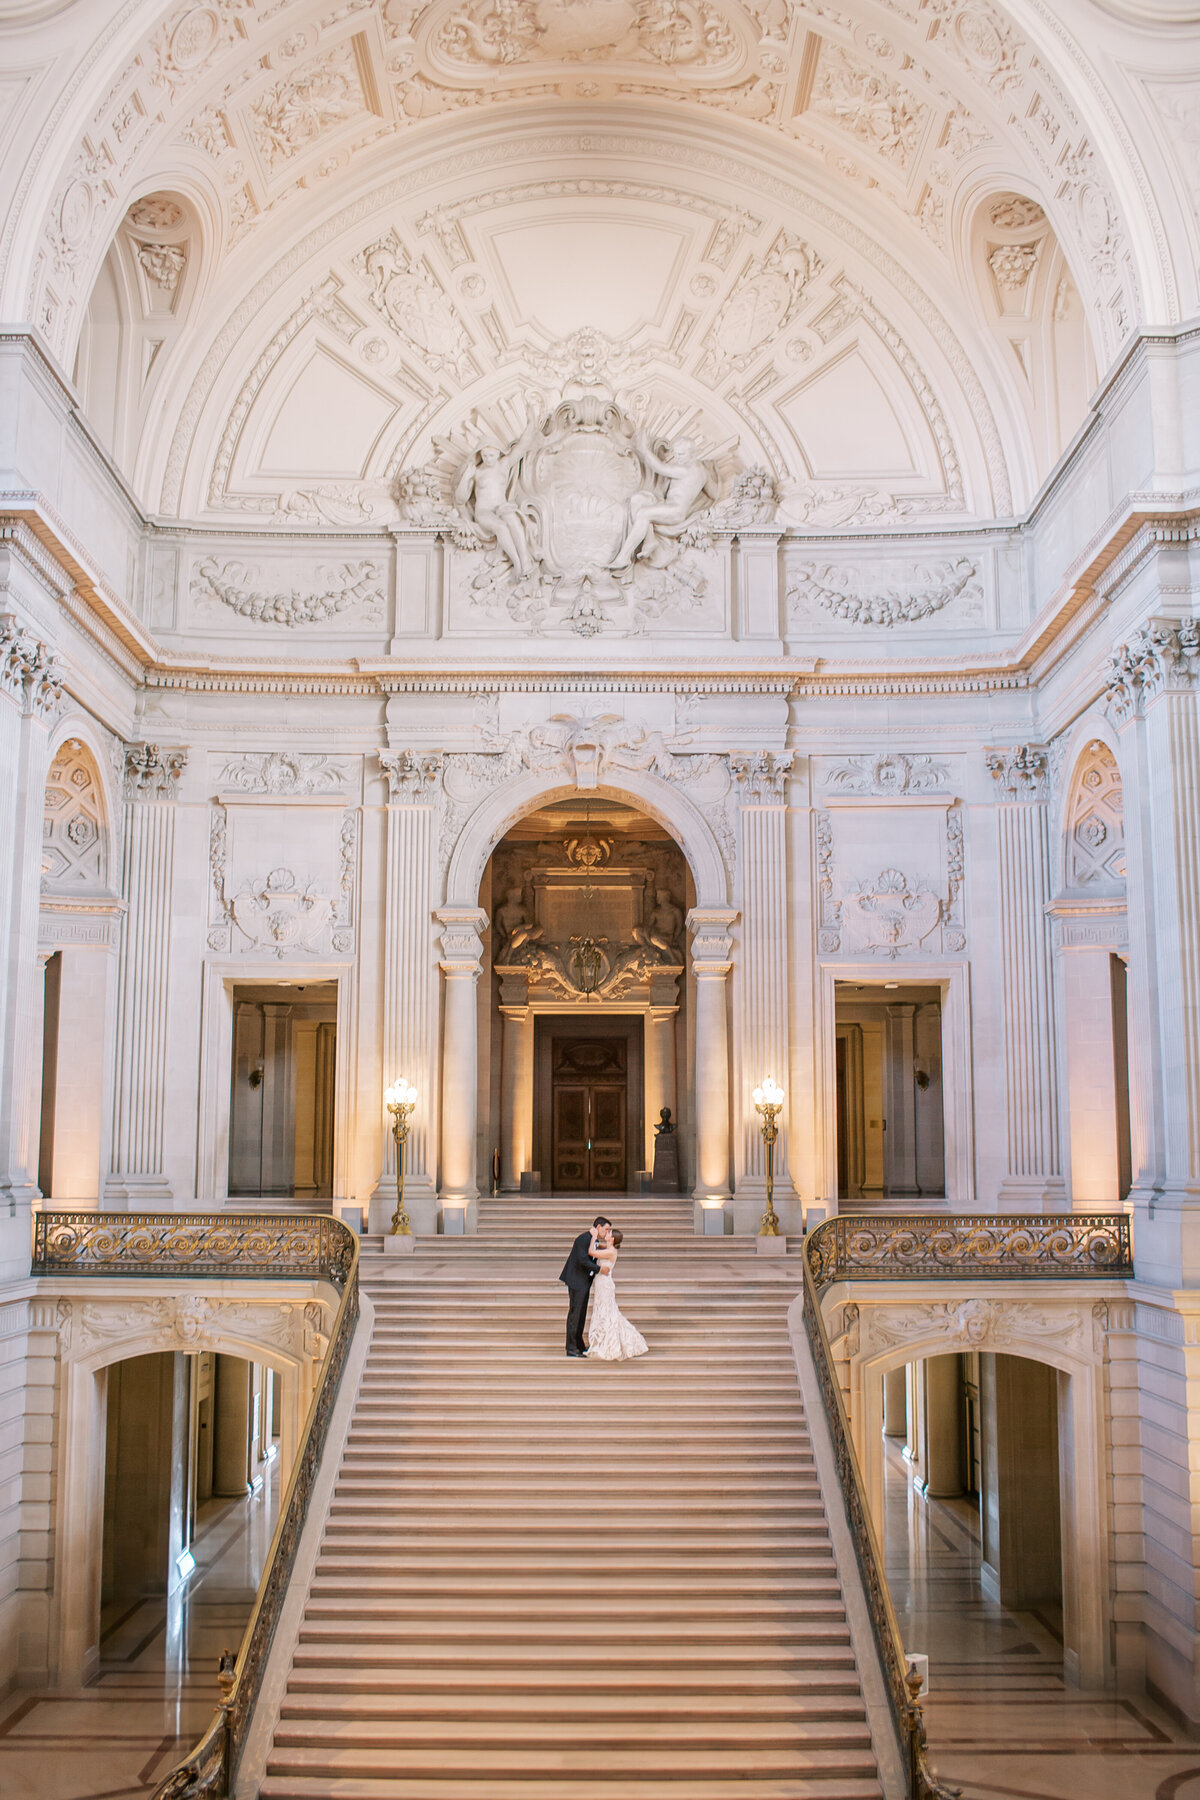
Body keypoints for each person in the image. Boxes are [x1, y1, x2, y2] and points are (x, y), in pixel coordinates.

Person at [585, 1226, 649, 1361]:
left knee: (607, 1312)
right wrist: (597, 1241)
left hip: (605, 1285)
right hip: (601, 1283)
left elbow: (591, 1252)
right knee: (603, 1311)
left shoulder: (611, 1252)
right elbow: (599, 1246)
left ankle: (611, 1342)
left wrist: (593, 1236)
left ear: (612, 1238)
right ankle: (601, 1339)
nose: (606, 1233)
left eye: (608, 1233)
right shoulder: (608, 1248)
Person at [559, 1214, 610, 1358]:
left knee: (581, 1315)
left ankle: (579, 1344)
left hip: (583, 1282)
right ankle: (571, 1347)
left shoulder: (592, 1240)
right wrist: (599, 1269)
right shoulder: (584, 1239)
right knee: (575, 1314)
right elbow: (582, 1260)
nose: (606, 1233)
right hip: (577, 1281)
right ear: (598, 1227)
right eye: (606, 1230)